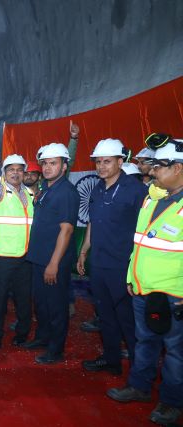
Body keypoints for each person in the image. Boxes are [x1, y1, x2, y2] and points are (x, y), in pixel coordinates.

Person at [107, 139, 183, 426]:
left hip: (174, 295)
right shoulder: (154, 198)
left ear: (178, 168)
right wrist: (131, 277)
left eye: (159, 166)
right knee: (145, 341)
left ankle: (172, 402)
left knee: (176, 352)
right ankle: (139, 386)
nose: (152, 171)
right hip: (142, 288)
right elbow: (140, 243)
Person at [77, 139, 147, 375]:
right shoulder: (98, 187)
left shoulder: (136, 190)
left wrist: (137, 268)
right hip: (98, 263)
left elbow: (144, 229)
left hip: (122, 266)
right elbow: (92, 222)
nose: (101, 166)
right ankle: (111, 360)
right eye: (98, 162)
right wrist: (84, 250)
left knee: (128, 319)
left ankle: (139, 373)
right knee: (105, 315)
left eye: (107, 161)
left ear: (120, 161)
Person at [22, 143, 79, 364]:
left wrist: (54, 263)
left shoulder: (66, 192)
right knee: (41, 304)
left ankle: (56, 349)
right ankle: (43, 337)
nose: (47, 167)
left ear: (64, 166)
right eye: (44, 163)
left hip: (53, 261)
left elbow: (67, 230)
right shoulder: (46, 188)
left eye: (53, 163)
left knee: (56, 306)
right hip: (39, 258)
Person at [0, 154, 34, 349]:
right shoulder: (0, 190)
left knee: (23, 300)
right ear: (4, 173)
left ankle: (22, 334)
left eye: (19, 169)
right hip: (2, 257)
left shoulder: (29, 193)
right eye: (11, 169)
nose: (15, 173)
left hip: (25, 257)